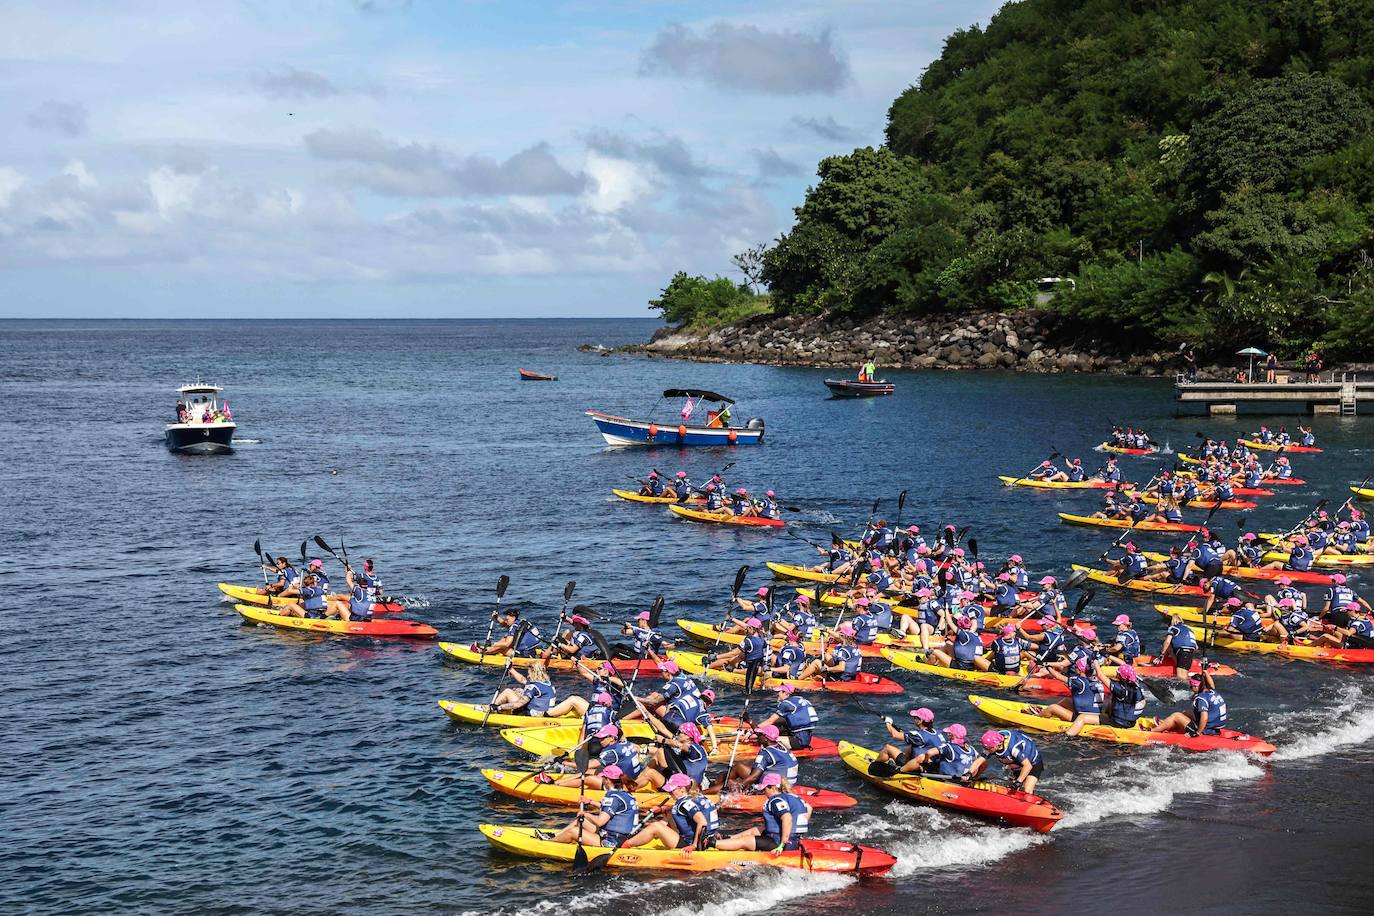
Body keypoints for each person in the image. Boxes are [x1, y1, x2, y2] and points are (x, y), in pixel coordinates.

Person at [715, 773, 811, 853]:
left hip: (780, 843)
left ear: (772, 787)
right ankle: (729, 838)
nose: (764, 792)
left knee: (745, 841)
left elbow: (787, 818)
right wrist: (796, 828)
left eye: (765, 789)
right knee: (758, 829)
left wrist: (782, 844)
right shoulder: (793, 797)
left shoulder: (775, 800)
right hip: (793, 840)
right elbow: (809, 808)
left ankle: (712, 843)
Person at [549, 764, 639, 847]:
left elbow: (600, 821)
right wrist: (590, 802)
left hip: (612, 841)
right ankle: (555, 836)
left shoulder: (613, 797)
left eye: (603, 778)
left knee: (574, 832)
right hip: (622, 837)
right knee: (581, 821)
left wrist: (586, 814)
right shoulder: (625, 794)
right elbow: (612, 809)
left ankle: (549, 844)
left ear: (607, 780)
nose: (602, 781)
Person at [624, 773, 719, 851]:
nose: (669, 792)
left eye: (672, 790)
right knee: (670, 814)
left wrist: (694, 845)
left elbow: (702, 822)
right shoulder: (697, 797)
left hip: (691, 845)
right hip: (707, 839)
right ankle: (641, 836)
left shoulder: (685, 803)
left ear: (682, 789)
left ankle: (625, 845)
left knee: (655, 826)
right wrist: (663, 810)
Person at [1151, 670, 1227, 737]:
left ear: (1196, 686)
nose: (1190, 688)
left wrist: (1197, 733)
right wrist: (1206, 672)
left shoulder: (1201, 698)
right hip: (1214, 728)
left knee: (1176, 715)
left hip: (1206, 731)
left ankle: (1152, 731)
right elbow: (1211, 684)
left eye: (1191, 686)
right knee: (1186, 713)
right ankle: (1166, 724)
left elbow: (1204, 718)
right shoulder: (1212, 691)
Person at [972, 729, 1044, 793]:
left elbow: (1028, 766)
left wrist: (1018, 782)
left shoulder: (1013, 749)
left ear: (998, 744)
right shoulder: (992, 746)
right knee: (1011, 790)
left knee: (1027, 791)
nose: (987, 750)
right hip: (1017, 765)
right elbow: (979, 760)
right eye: (985, 748)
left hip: (1033, 763)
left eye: (989, 748)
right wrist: (968, 773)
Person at [873, 707, 942, 773]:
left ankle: (874, 767)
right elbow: (916, 739)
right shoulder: (937, 733)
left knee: (888, 748)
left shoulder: (919, 736)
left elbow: (895, 735)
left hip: (916, 767)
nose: (914, 719)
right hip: (933, 766)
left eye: (915, 718)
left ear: (920, 721)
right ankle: (894, 763)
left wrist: (888, 723)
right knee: (911, 747)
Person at [755, 683, 818, 751]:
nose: (777, 694)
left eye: (779, 692)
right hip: (806, 737)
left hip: (799, 741)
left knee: (763, 739)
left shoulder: (786, 704)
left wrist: (754, 730)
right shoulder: (801, 700)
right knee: (779, 723)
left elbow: (770, 721)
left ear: (786, 693)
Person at [486, 661, 556, 716]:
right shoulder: (547, 683)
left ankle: (491, 709)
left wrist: (499, 707)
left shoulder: (534, 687)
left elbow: (519, 704)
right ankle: (496, 707)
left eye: (529, 674)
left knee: (508, 691)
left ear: (534, 673)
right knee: (519, 690)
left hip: (532, 715)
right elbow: (523, 680)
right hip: (546, 712)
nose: (528, 676)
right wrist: (510, 668)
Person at [1158, 613, 1200, 678]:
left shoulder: (1173, 627)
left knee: (1181, 677)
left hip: (1183, 651)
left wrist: (1162, 654)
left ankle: (1170, 662)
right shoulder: (1189, 629)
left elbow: (1167, 642)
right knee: (1184, 674)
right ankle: (1176, 663)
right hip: (1190, 651)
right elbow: (1196, 647)